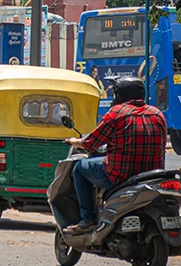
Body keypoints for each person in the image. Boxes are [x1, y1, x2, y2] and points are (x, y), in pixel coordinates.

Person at [63, 76, 167, 233]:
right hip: (152, 176)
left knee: (79, 169)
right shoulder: (157, 114)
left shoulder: (116, 114)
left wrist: (73, 141)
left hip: (119, 175)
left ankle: (88, 219)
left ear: (120, 95)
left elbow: (90, 143)